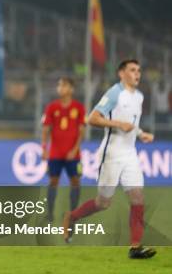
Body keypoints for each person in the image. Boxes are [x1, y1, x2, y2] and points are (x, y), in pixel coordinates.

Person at [62, 59, 156, 259]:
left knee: (138, 198)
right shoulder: (115, 93)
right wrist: (117, 124)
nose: (137, 74)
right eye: (132, 70)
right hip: (111, 153)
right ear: (121, 73)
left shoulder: (138, 97)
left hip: (130, 153)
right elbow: (92, 118)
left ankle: (135, 247)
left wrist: (141, 133)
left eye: (139, 70)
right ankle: (72, 217)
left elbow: (131, 122)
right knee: (103, 203)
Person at [41, 77, 85, 221]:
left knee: (75, 181)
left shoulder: (79, 108)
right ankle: (50, 213)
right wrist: (44, 148)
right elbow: (46, 129)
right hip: (55, 153)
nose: (60, 88)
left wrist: (75, 149)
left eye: (64, 85)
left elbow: (81, 131)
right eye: (59, 85)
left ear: (71, 89)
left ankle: (73, 213)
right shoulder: (52, 107)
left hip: (74, 154)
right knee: (53, 181)